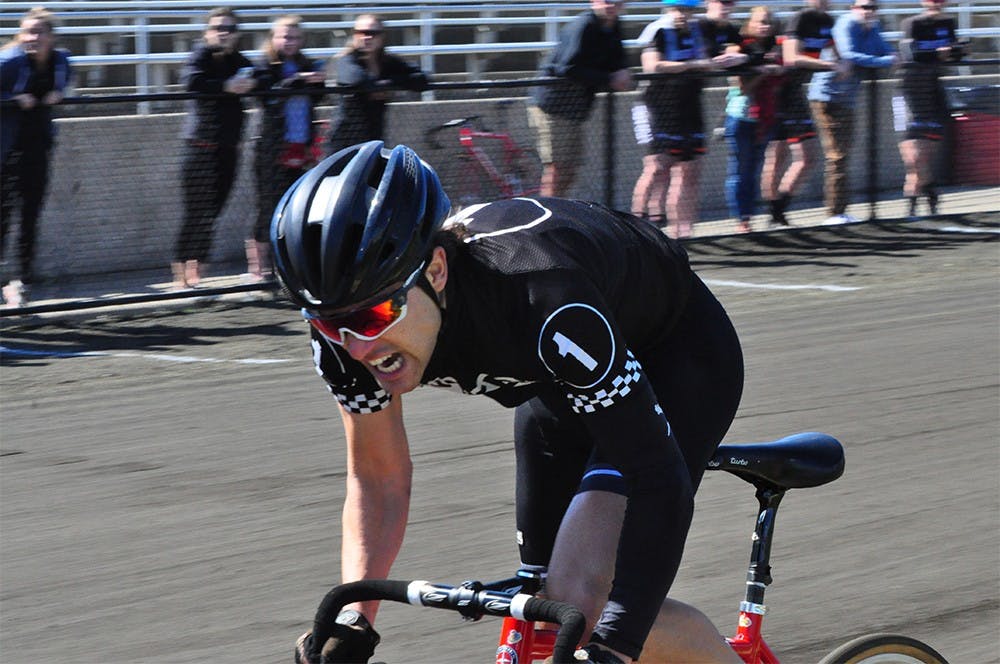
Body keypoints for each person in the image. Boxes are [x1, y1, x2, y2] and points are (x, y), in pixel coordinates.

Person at [280, 141, 745, 664]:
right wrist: (355, 617)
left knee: (582, 606)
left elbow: (657, 479)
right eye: (328, 324)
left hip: (674, 359)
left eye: (372, 318)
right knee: (542, 614)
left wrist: (616, 642)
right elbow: (378, 477)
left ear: (435, 271)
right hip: (556, 380)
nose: (358, 347)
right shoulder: (344, 336)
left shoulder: (539, 294)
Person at [630, 0, 744, 239]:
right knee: (656, 167)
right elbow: (652, 66)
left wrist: (728, 60)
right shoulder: (659, 30)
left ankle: (682, 231)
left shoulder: (697, 31)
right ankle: (635, 226)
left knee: (690, 171)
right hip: (657, 106)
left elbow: (711, 59)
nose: (683, 15)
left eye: (688, 10)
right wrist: (693, 65)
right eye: (678, 10)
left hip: (689, 106)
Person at [173, 7, 257, 291]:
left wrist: (251, 82)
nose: (223, 33)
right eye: (218, 27)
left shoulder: (239, 60)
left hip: (228, 149)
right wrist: (227, 86)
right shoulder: (200, 55)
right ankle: (181, 277)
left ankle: (199, 272)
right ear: (207, 31)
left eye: (229, 28)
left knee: (214, 211)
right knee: (195, 211)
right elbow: (191, 81)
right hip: (200, 148)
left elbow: (260, 78)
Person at [0, 6, 71, 308]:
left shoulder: (60, 61)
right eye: (27, 31)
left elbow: (63, 83)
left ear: (51, 37)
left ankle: (24, 281)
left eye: (39, 32)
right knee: (2, 219)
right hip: (6, 153)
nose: (32, 37)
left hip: (37, 149)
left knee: (30, 217)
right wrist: (12, 99)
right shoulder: (10, 62)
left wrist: (60, 92)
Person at [249, 15, 326, 283]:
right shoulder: (265, 64)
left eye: (293, 37)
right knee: (267, 207)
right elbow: (267, 93)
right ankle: (260, 270)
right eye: (283, 36)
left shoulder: (305, 63)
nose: (288, 41)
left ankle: (289, 266)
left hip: (300, 146)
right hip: (271, 148)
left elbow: (319, 95)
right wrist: (300, 79)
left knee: (297, 208)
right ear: (273, 38)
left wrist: (316, 81)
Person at [530, 0, 633, 197]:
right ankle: (548, 216)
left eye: (617, 2)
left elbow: (617, 59)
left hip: (576, 110)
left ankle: (559, 209)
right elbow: (566, 68)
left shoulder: (614, 26)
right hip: (554, 106)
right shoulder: (583, 26)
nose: (611, 6)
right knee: (557, 167)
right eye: (607, 1)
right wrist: (609, 78)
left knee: (571, 168)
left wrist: (622, 73)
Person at [807, 0, 896, 225]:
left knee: (843, 154)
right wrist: (885, 61)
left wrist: (885, 58)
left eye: (873, 7)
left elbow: (884, 49)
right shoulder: (845, 24)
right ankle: (834, 212)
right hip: (827, 97)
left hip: (848, 98)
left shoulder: (873, 27)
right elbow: (850, 54)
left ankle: (840, 211)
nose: (868, 11)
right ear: (853, 8)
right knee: (837, 155)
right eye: (863, 7)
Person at [761, 0, 844, 227]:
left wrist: (842, 62)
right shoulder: (800, 18)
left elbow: (837, 52)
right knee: (777, 156)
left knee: (807, 156)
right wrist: (829, 65)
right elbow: (792, 58)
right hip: (777, 91)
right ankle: (772, 212)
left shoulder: (828, 20)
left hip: (796, 92)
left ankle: (780, 209)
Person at [327, 15, 429, 154]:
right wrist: (376, 86)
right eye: (360, 33)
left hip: (374, 138)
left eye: (372, 33)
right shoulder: (346, 59)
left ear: (382, 37)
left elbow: (422, 79)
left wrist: (390, 83)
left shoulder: (387, 62)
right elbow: (354, 78)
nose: (366, 37)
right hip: (344, 141)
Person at [896, 0, 959, 219]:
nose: (937, 4)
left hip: (933, 91)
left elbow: (955, 54)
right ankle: (927, 194)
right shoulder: (912, 23)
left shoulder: (949, 22)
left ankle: (921, 203)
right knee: (913, 158)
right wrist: (938, 52)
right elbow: (909, 53)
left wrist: (955, 50)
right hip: (910, 90)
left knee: (924, 156)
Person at [723, 6, 783, 233]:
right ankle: (741, 220)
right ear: (750, 23)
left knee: (753, 170)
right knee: (739, 170)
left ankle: (748, 218)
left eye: (768, 22)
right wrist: (762, 72)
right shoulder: (741, 47)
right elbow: (742, 87)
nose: (764, 26)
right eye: (760, 21)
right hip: (742, 116)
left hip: (764, 119)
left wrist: (775, 70)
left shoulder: (774, 49)